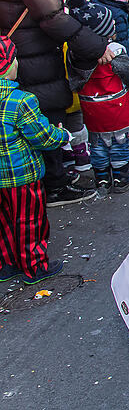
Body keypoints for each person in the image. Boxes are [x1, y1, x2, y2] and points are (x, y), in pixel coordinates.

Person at [0, 0, 107, 207]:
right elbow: (52, 18)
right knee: (44, 117)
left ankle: (46, 179)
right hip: (33, 57)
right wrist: (97, 45)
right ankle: (54, 185)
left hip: (13, 52)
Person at [0, 36, 71, 285]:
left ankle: (7, 264)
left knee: (4, 222)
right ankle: (34, 266)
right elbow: (42, 137)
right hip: (23, 177)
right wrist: (62, 134)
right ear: (8, 65)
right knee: (30, 221)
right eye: (15, 58)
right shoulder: (21, 101)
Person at [68, 2, 129, 193]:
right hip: (115, 106)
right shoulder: (114, 51)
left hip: (91, 107)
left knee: (97, 143)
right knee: (119, 142)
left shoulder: (76, 53)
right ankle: (121, 177)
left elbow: (75, 82)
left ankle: (102, 177)